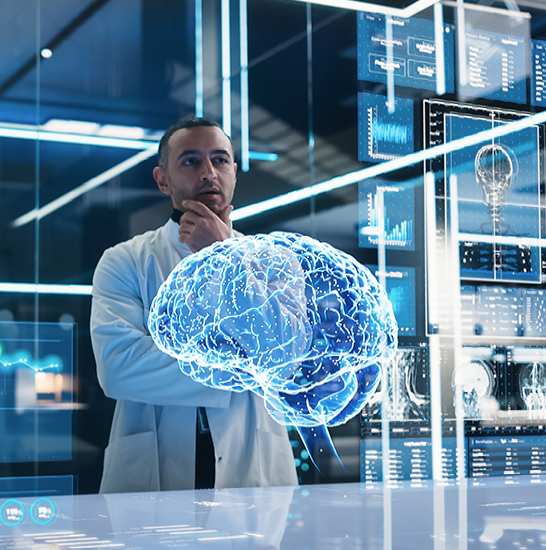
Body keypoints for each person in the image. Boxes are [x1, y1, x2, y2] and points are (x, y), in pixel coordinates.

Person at [90, 117, 297, 493]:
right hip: (151, 474)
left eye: (220, 160)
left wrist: (225, 254)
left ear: (234, 172)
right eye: (190, 161)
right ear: (162, 179)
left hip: (255, 473)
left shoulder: (274, 262)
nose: (208, 173)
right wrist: (243, 366)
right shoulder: (125, 261)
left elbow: (287, 353)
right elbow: (119, 368)